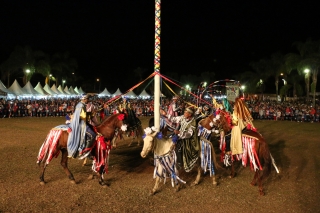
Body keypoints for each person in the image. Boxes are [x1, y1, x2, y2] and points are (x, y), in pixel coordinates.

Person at [162, 106, 199, 172]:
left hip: (188, 139)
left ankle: (180, 163)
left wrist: (179, 132)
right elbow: (174, 119)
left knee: (178, 148)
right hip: (179, 135)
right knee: (168, 139)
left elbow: (189, 134)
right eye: (184, 112)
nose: (184, 113)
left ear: (190, 114)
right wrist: (166, 114)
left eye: (186, 112)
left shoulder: (193, 122)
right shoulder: (183, 117)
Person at [67, 94, 96, 159]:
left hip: (83, 123)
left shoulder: (80, 105)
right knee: (93, 135)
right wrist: (91, 114)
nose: (88, 100)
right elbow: (84, 117)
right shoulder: (81, 106)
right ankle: (86, 151)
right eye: (87, 99)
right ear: (84, 99)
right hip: (82, 124)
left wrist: (91, 113)